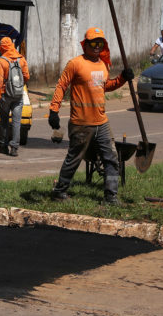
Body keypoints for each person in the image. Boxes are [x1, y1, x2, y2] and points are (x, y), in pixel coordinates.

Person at [47, 27, 134, 205]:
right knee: (74, 159)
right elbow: (61, 85)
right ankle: (60, 192)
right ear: (85, 45)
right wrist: (54, 110)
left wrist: (122, 79)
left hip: (102, 122)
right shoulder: (75, 64)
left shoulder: (103, 64)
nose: (97, 47)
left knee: (111, 157)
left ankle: (111, 197)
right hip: (81, 123)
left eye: (100, 43)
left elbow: (104, 86)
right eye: (93, 43)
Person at [0, 37, 29, 156]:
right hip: (18, 94)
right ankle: (14, 148)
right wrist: (18, 86)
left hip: (5, 95)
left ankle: (3, 146)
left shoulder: (1, 61)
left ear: (2, 47)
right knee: (16, 122)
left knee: (4, 121)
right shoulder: (21, 59)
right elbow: (26, 76)